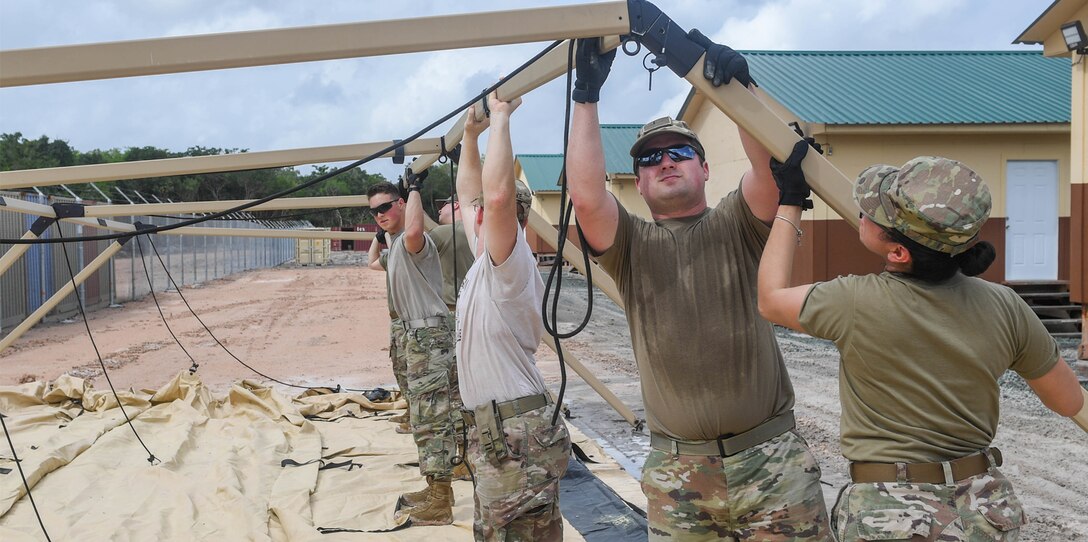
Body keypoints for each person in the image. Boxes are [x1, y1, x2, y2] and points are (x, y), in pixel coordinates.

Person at [566, 37, 830, 540]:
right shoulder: (632, 246)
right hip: (679, 474)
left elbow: (769, 173)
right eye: (650, 159)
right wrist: (586, 96)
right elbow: (586, 197)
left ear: (704, 170)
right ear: (638, 184)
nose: (666, 162)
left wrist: (738, 89)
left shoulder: (738, 224)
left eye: (680, 152)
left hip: (770, 463)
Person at [757, 144, 1088, 541]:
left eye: (872, 213)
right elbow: (1069, 402)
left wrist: (790, 202)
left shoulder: (853, 302)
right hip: (983, 512)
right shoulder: (1006, 305)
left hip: (892, 514)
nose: (863, 211)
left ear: (898, 252)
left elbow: (770, 299)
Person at [455, 92, 571, 541]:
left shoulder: (510, 262)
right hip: (498, 432)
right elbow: (472, 196)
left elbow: (497, 195)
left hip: (515, 435)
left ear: (512, 221)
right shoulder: (485, 257)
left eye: (485, 212)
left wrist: (500, 117)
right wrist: (469, 136)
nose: (475, 214)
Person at [365, 180, 462, 526]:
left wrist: (417, 188)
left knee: (433, 419)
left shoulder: (415, 241)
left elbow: (417, 226)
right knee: (424, 418)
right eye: (374, 211)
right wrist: (380, 236)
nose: (380, 215)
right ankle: (439, 488)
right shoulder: (395, 245)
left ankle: (440, 501)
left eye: (386, 207)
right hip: (416, 336)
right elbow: (371, 263)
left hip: (429, 335)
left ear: (403, 204)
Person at [431, 196, 474, 311]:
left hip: (450, 310)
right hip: (478, 309)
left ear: (456, 205)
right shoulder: (482, 231)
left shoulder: (442, 233)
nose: (439, 210)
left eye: (443, 206)